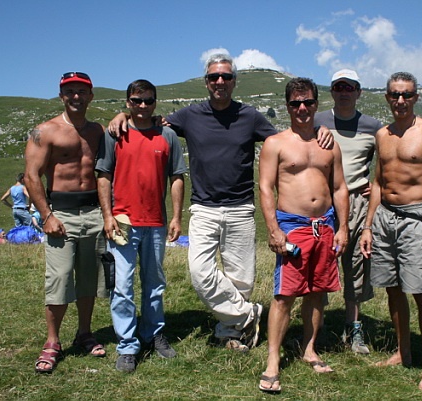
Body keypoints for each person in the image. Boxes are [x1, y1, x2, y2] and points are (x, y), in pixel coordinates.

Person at [108, 54, 334, 352]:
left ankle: (231, 333)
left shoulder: (249, 116)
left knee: (241, 279)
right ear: (206, 82)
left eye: (226, 76)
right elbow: (148, 120)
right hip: (203, 208)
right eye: (214, 77)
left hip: (241, 208)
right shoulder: (189, 116)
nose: (220, 81)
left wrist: (318, 130)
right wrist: (122, 116)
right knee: (200, 274)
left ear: (234, 81)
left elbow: (286, 138)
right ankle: (249, 314)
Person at [359, 72, 422, 393]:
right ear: (387, 97)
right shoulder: (382, 135)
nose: (400, 100)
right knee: (392, 289)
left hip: (416, 219)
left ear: (416, 97)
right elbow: (378, 182)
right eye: (394, 94)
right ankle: (403, 352)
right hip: (384, 217)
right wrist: (368, 226)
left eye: (406, 94)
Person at [258, 78, 349, 393]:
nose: (302, 108)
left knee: (317, 291)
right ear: (287, 106)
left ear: (316, 104)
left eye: (308, 102)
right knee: (284, 295)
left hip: (324, 225)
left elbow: (339, 187)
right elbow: (266, 187)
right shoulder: (276, 143)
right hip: (293, 226)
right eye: (296, 103)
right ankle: (273, 360)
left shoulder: (328, 144)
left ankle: (309, 348)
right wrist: (274, 229)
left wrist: (343, 227)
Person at [96, 79, 187, 373]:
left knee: (154, 284)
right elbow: (103, 175)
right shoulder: (115, 134)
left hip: (156, 222)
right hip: (122, 222)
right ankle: (127, 346)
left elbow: (177, 177)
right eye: (137, 101)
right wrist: (107, 216)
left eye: (148, 100)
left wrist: (176, 217)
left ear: (155, 102)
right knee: (122, 287)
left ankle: (153, 334)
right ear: (128, 103)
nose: (143, 106)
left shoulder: (167, 136)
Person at [24, 72, 108, 374]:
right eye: (70, 91)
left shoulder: (98, 131)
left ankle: (84, 332)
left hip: (93, 212)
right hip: (61, 213)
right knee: (59, 278)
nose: (76, 97)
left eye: (82, 92)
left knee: (89, 278)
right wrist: (47, 215)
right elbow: (32, 175)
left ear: (90, 96)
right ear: (61, 96)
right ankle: (52, 341)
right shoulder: (45, 131)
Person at [314, 69, 383, 354]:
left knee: (356, 264)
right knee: (319, 264)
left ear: (358, 92)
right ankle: (316, 329)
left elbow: (385, 162)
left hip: (358, 202)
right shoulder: (317, 121)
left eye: (349, 87)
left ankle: (353, 328)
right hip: (323, 202)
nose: (344, 92)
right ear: (332, 91)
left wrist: (378, 186)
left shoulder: (373, 127)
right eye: (339, 87)